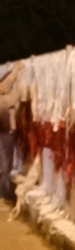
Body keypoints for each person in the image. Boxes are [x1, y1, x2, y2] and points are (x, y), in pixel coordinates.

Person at [0, 61, 25, 201]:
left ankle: (4, 190)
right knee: (6, 164)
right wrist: (15, 71)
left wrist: (14, 72)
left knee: (5, 163)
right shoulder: (5, 98)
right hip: (5, 133)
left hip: (6, 132)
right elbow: (8, 86)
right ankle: (4, 191)